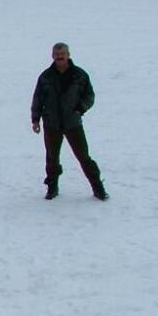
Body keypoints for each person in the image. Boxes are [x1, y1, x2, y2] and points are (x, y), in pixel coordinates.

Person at [31, 42, 108, 201]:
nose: (60, 57)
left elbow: (89, 96)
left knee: (83, 156)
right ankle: (52, 188)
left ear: (68, 55)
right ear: (52, 56)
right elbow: (37, 98)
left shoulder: (80, 75)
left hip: (73, 123)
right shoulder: (45, 77)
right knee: (52, 158)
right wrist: (35, 119)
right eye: (57, 54)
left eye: (63, 54)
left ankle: (98, 188)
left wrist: (80, 108)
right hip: (51, 124)